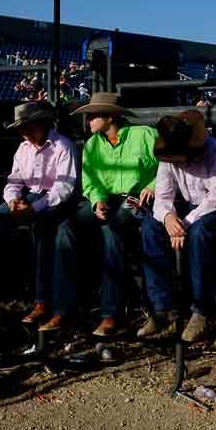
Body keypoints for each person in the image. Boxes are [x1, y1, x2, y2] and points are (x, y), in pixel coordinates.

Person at [54, 93, 164, 337]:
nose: (88, 121)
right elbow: (91, 181)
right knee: (66, 229)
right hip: (109, 198)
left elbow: (167, 165)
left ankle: (111, 314)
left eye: (92, 116)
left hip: (139, 196)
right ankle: (64, 308)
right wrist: (97, 201)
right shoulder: (93, 145)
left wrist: (153, 186)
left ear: (110, 117)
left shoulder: (144, 135)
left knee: (113, 229)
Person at [149, 110, 216, 347]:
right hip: (190, 205)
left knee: (200, 233)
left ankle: (201, 309)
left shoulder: (213, 151)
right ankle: (163, 307)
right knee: (151, 227)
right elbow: (163, 196)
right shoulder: (168, 156)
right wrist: (169, 217)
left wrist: (185, 224)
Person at [0, 102, 78, 320]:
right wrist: (13, 201)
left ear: (42, 124)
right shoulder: (23, 149)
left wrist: (33, 208)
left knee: (42, 229)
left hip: (55, 200)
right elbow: (13, 181)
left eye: (27, 127)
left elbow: (64, 188)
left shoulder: (63, 146)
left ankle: (41, 300)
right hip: (30, 198)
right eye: (21, 128)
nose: (23, 132)